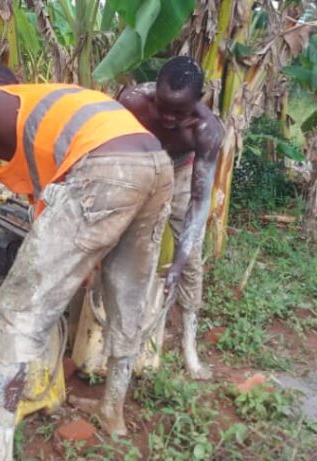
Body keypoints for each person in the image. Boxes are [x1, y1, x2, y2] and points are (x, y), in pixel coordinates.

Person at [0, 63, 174, 461]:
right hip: (155, 164)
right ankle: (113, 410)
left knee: (16, 306)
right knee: (129, 292)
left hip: (107, 169)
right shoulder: (49, 105)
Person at [117, 56, 224, 380]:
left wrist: (177, 262)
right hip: (139, 164)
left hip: (182, 171)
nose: (166, 117)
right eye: (162, 106)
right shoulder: (132, 101)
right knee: (120, 245)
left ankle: (190, 351)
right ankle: (115, 331)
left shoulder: (207, 131)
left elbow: (199, 201)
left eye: (177, 112)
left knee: (190, 262)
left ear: (199, 101)